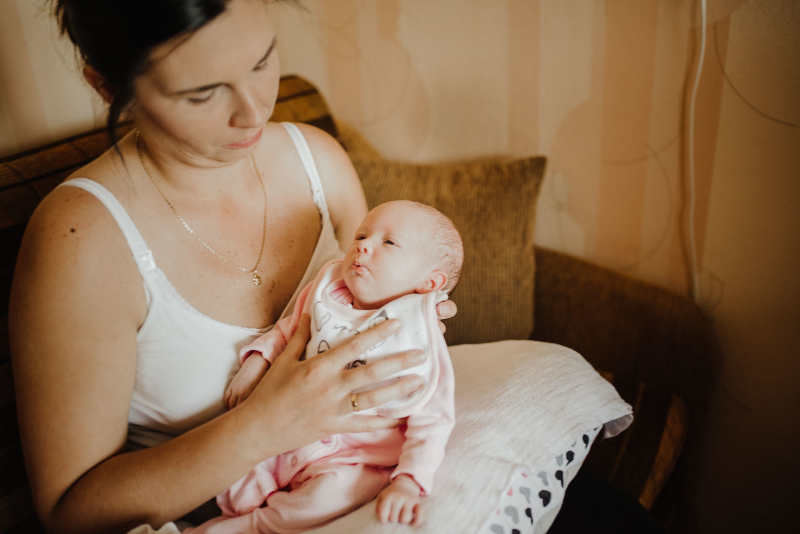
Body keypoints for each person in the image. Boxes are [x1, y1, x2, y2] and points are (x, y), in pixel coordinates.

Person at [8, 1, 456, 532]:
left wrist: (407, 317)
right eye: (202, 92)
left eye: (262, 61)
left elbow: (368, 310)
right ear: (110, 88)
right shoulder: (80, 240)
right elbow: (70, 514)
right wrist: (264, 426)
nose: (254, 111)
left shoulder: (319, 160)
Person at [190, 201, 463, 532]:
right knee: (235, 470)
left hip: (353, 456)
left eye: (389, 242)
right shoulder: (328, 291)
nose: (363, 245)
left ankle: (255, 525)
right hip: (286, 430)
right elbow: (290, 331)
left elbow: (434, 418)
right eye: (361, 235)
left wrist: (409, 480)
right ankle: (235, 512)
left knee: (333, 494)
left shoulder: (418, 335)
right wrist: (257, 362)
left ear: (430, 283)